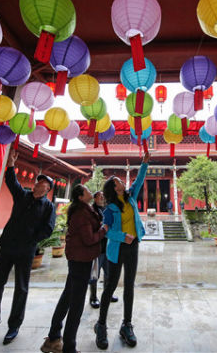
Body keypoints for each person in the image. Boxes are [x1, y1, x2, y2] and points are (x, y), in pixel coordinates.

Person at [0, 150, 56, 345]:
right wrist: (11, 165)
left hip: (26, 250)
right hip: (7, 246)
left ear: (47, 189)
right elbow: (12, 182)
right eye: (38, 181)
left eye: (43, 183)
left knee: (21, 287)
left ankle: (14, 325)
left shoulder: (48, 207)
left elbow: (48, 229)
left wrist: (31, 240)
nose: (38, 184)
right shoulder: (23, 196)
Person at [40, 185, 108, 353]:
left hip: (78, 259)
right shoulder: (81, 213)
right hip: (81, 261)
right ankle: (69, 347)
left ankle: (53, 337)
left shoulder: (84, 210)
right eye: (87, 190)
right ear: (80, 197)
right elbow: (89, 239)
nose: (90, 191)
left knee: (67, 298)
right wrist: (103, 230)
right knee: (76, 305)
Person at [94, 151, 149, 350]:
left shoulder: (130, 196)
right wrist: (122, 236)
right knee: (110, 287)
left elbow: (139, 180)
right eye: (118, 181)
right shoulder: (109, 209)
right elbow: (107, 231)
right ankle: (101, 325)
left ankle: (127, 325)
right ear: (113, 187)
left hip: (133, 247)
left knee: (129, 286)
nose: (122, 182)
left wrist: (144, 163)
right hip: (116, 249)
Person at [88, 191, 118, 308]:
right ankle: (93, 297)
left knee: (109, 273)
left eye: (103, 196)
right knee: (95, 274)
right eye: (100, 196)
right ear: (95, 198)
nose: (102, 197)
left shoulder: (107, 209)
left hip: (108, 247)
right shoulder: (92, 211)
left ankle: (107, 295)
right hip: (98, 248)